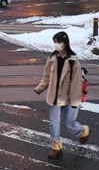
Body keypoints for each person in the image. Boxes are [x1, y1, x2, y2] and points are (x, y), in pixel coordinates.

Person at [33, 31, 90, 159]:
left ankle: (83, 131)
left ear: (65, 43)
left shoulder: (73, 60)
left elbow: (76, 84)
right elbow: (47, 75)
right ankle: (56, 146)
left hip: (68, 96)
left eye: (58, 42)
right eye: (55, 42)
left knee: (69, 123)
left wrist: (75, 102)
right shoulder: (52, 58)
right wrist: (40, 88)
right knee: (54, 122)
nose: (56, 44)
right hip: (54, 95)